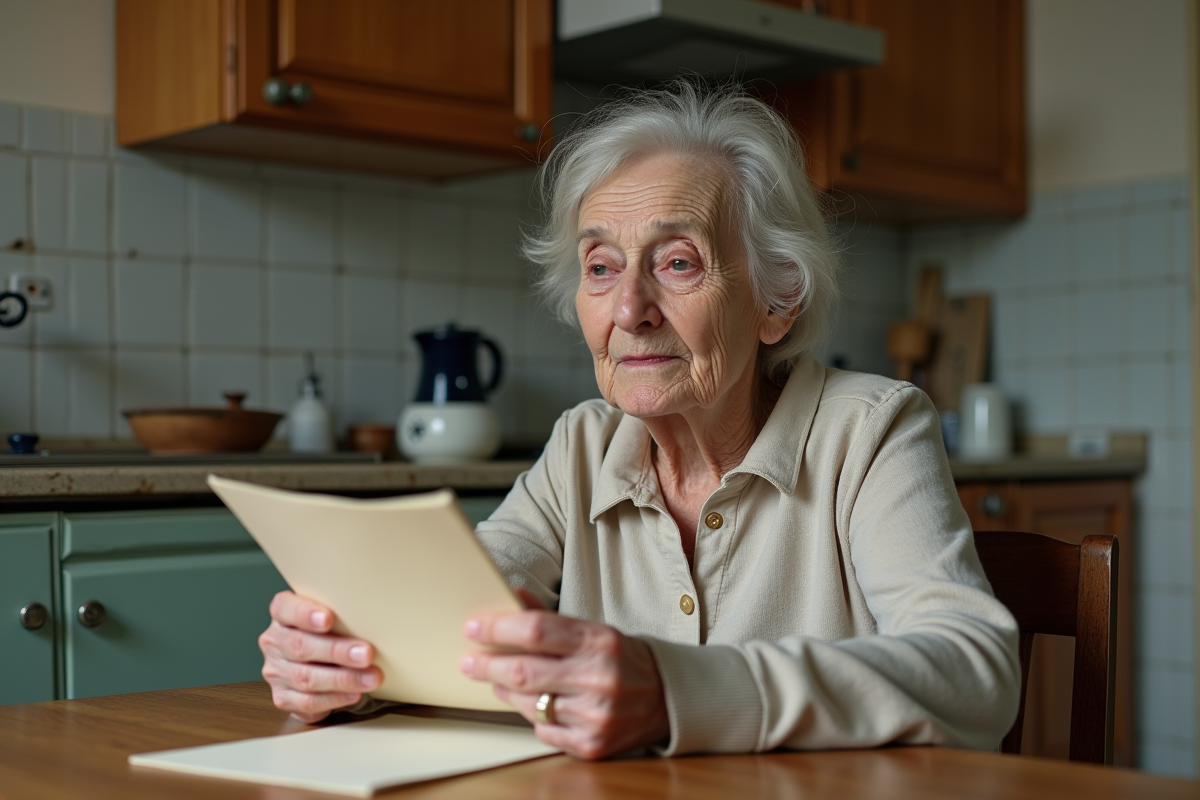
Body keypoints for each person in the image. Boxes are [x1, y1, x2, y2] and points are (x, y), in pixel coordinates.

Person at [258, 81, 1021, 760]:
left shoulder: (871, 431)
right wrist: (347, 662)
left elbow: (976, 670)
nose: (629, 309)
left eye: (677, 262)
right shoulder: (583, 447)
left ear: (776, 300)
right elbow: (459, 616)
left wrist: (675, 690)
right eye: (600, 268)